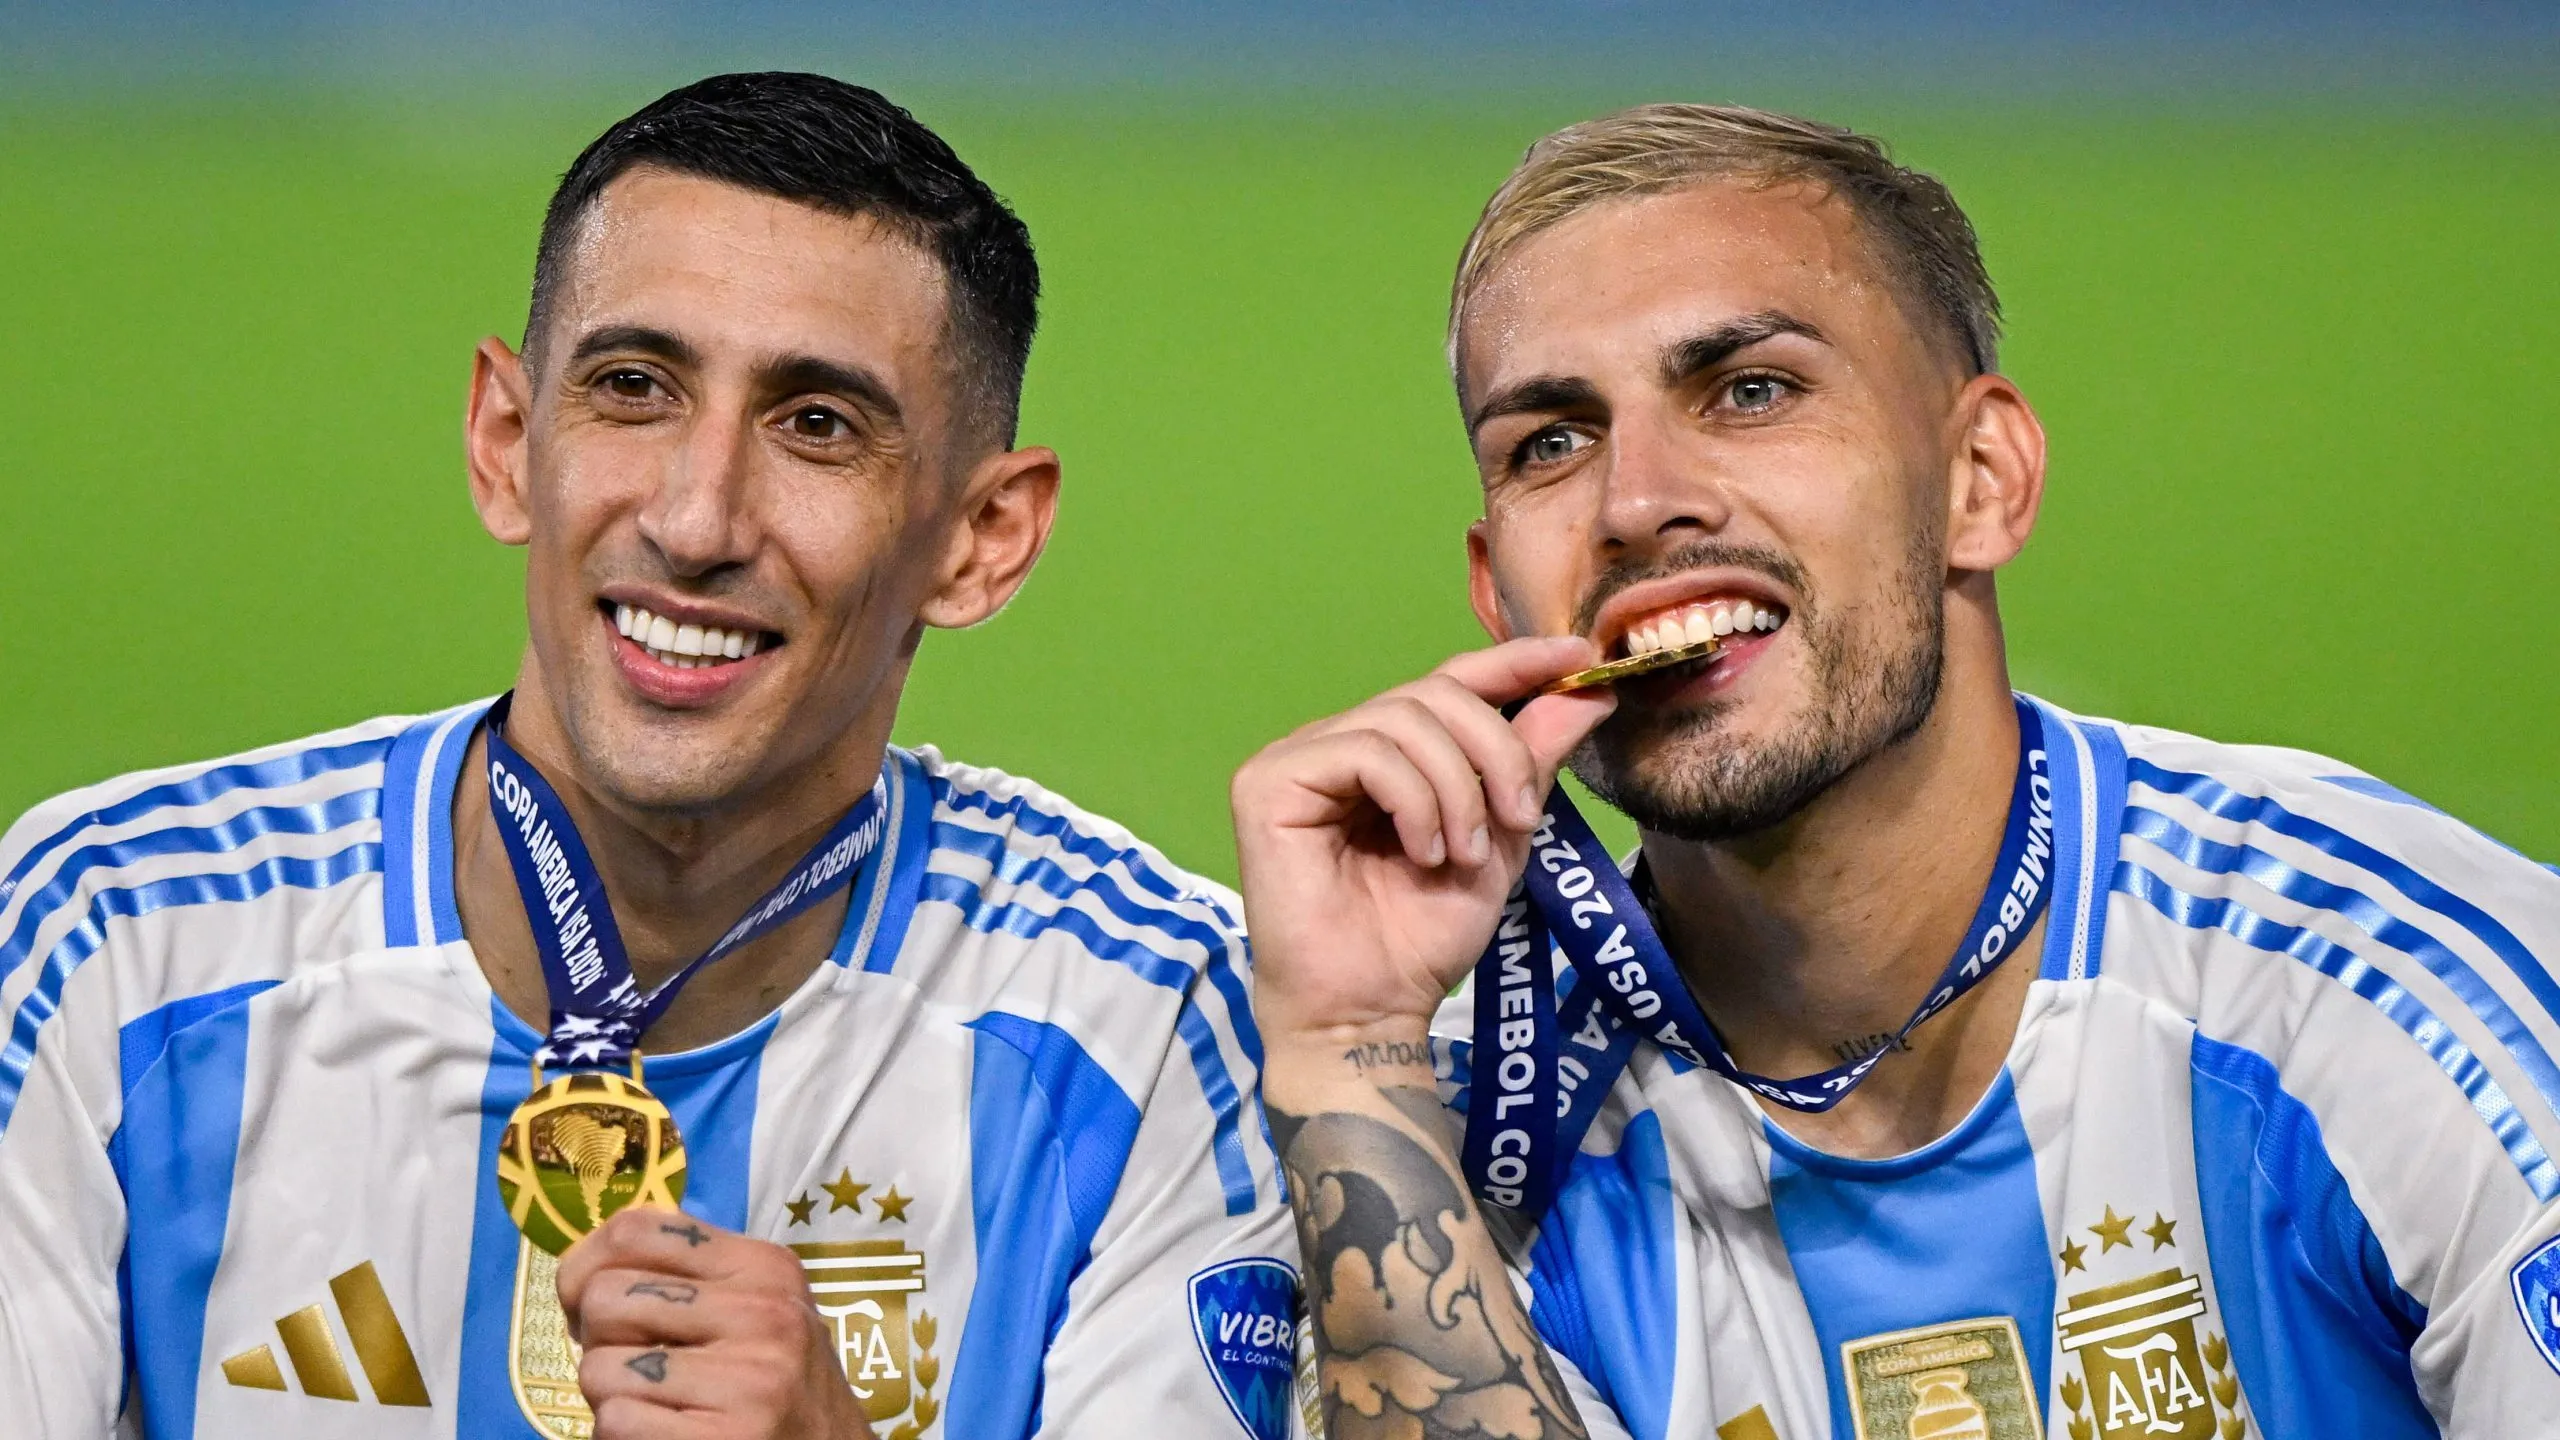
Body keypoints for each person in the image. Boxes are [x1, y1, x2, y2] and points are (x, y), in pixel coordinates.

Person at [0, 73, 1302, 1440]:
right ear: (509, 442)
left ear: (981, 540)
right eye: (634, 388)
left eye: (818, 424)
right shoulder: (115, 941)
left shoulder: (1144, 1022)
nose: (696, 520)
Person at [1234, 103, 2560, 1440]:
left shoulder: (2384, 994)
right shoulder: (1474, 1142)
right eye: (1551, 445)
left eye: (1751, 391)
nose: (1636, 502)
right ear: (1497, 592)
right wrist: (1346, 1050)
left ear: (1976, 480)